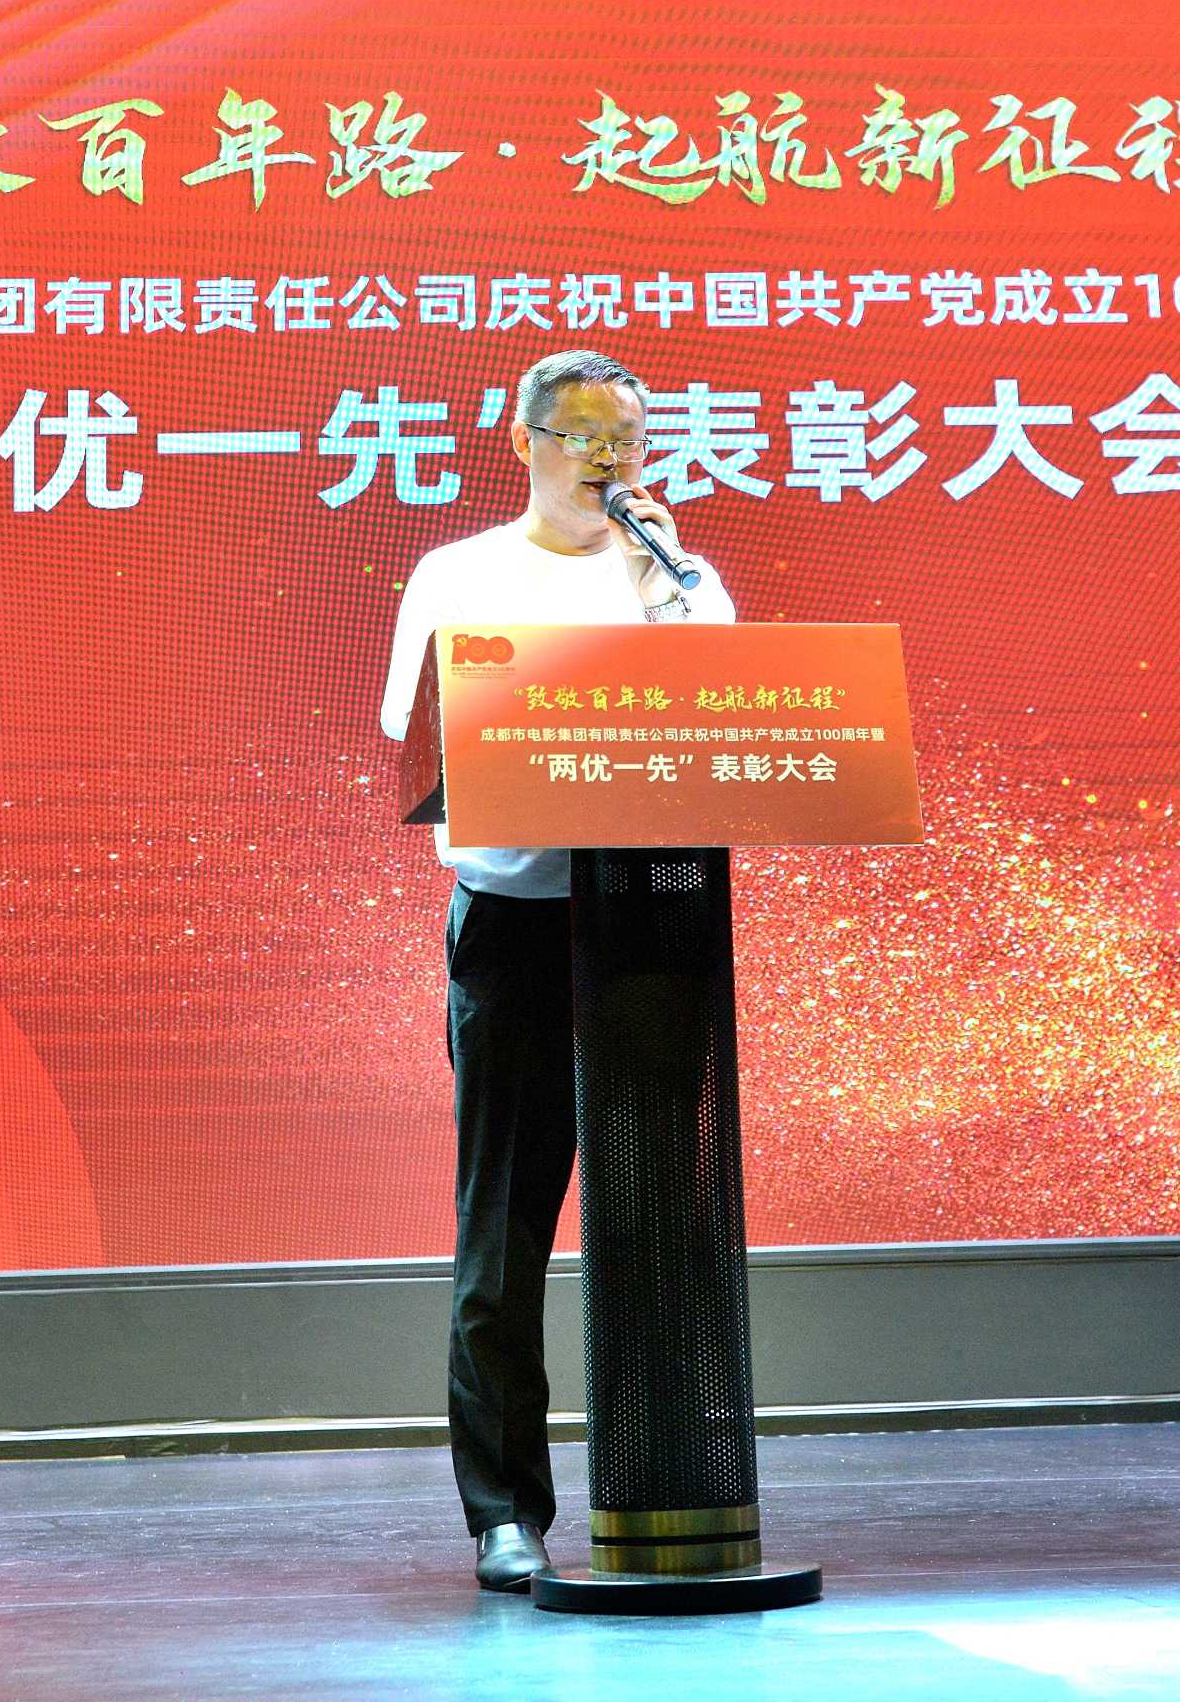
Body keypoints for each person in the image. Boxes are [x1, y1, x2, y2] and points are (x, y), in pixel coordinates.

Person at [378, 347, 738, 1592]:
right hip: (517, 922)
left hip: (650, 918)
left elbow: (724, 725)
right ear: (524, 440)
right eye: (582, 434)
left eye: (624, 437)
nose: (606, 458)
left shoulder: (681, 577)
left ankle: (668, 1482)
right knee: (505, 1228)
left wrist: (660, 588)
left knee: (659, 1221)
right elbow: (416, 732)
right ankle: (502, 1509)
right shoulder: (459, 570)